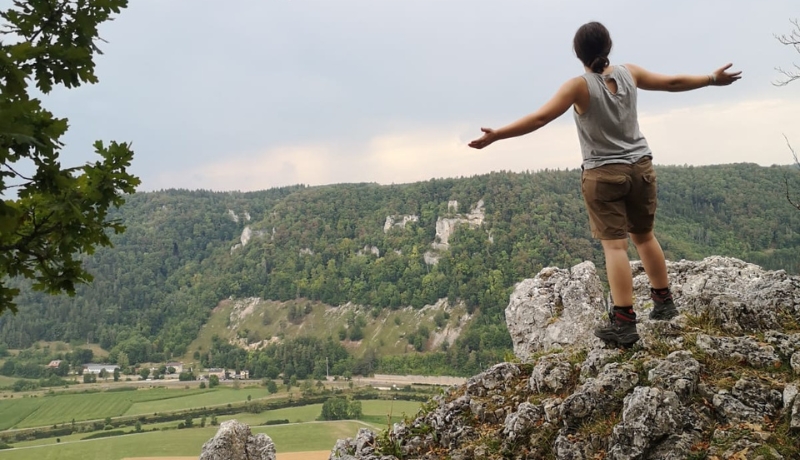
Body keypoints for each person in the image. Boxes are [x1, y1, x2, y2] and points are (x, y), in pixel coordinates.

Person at [468, 21, 741, 347]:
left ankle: (624, 323)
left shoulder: (579, 87)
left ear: (578, 53)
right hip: (641, 168)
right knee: (645, 237)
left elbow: (540, 118)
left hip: (603, 175)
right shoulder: (630, 73)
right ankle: (664, 304)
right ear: (608, 46)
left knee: (615, 247)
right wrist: (712, 79)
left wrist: (497, 135)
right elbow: (672, 83)